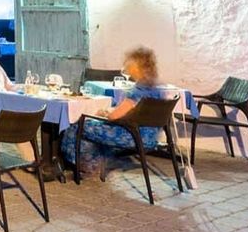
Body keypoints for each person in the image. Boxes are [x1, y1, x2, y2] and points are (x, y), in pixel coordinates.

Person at [61, 46, 168, 177]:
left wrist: (105, 113)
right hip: (150, 138)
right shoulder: (157, 88)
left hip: (131, 136)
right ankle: (94, 162)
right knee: (92, 126)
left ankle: (78, 164)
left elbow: (114, 116)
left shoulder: (139, 90)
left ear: (136, 66)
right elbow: (136, 113)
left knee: (77, 125)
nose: (125, 64)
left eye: (129, 61)